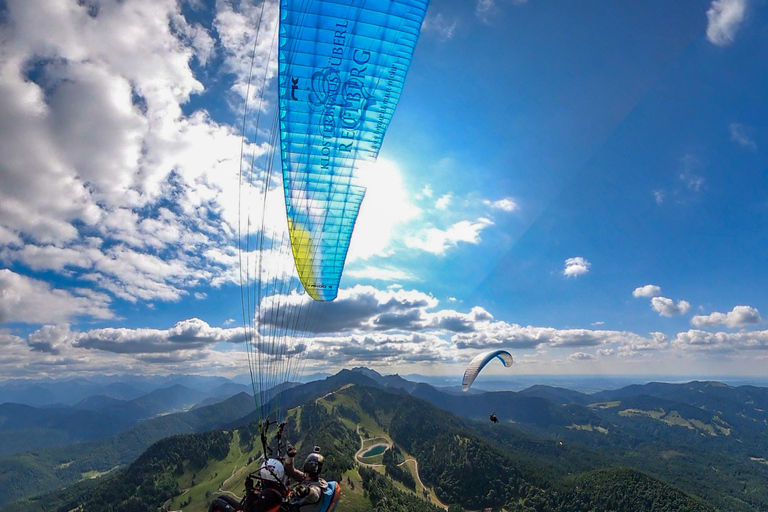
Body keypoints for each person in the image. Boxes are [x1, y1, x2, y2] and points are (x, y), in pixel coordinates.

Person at [209, 458, 289, 512]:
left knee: (216, 503)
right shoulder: (277, 490)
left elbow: (248, 509)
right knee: (222, 497)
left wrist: (249, 491)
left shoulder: (268, 494)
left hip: (247, 510)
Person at [284, 445, 329, 512]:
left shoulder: (317, 485)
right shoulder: (304, 478)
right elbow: (290, 470)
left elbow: (315, 495)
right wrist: (290, 456)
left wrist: (307, 491)